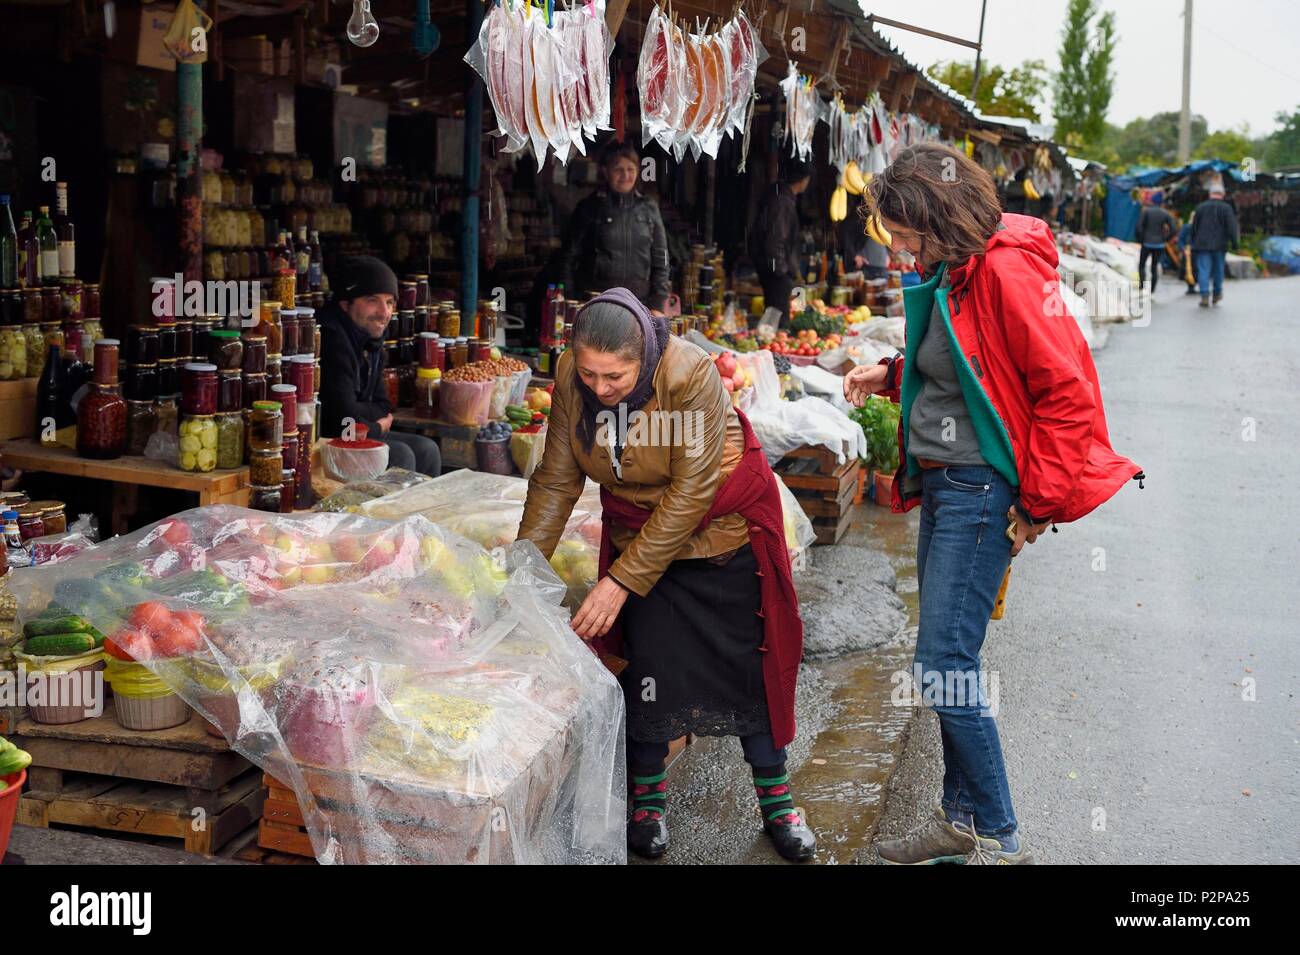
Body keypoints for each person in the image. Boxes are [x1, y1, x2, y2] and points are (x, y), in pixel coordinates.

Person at [843, 143, 1143, 865]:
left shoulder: (1005, 270)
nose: (903, 252)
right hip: (947, 483)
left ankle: (1002, 837)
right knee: (952, 660)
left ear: (937, 216)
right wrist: (891, 374)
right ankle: (958, 818)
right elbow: (969, 365)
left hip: (982, 490)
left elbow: (1065, 392)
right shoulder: (958, 270)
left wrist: (1037, 504)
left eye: (907, 235)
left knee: (943, 660)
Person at [516, 288, 812, 863]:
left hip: (720, 538)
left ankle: (777, 800)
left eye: (616, 378)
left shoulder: (688, 373)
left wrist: (622, 580)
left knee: (750, 671)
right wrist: (521, 570)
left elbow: (693, 489)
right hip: (642, 545)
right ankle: (648, 802)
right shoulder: (570, 378)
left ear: (644, 359)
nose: (599, 389)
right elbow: (555, 479)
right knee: (648, 672)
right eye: (590, 374)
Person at [317, 256, 441, 476]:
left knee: (427, 449)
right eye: (373, 300)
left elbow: (383, 403)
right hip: (328, 437)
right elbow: (342, 418)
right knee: (400, 454)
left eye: (390, 302)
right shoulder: (331, 338)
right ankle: (378, 512)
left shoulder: (370, 339)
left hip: (356, 431)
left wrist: (362, 415)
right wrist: (377, 426)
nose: (384, 312)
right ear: (346, 304)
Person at [559, 143, 671, 312]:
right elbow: (568, 257)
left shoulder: (648, 208)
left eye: (631, 169)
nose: (625, 175)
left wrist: (658, 304)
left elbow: (661, 257)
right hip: (597, 303)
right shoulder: (589, 207)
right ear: (605, 171)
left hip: (640, 304)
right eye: (618, 169)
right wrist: (570, 299)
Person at [749, 159, 811, 324]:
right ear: (804, 179)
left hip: (774, 268)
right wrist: (781, 271)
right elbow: (775, 240)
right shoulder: (782, 202)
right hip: (776, 272)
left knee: (776, 315)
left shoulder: (779, 196)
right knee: (779, 319)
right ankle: (773, 348)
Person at [1190, 184, 1240, 307]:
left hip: (1202, 245)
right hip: (1220, 245)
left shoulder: (1200, 207)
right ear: (1222, 195)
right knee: (1218, 270)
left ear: (1210, 194)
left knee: (1204, 269)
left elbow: (1194, 227)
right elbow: (1232, 228)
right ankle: (1217, 293)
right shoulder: (1226, 208)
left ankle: (1204, 295)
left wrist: (1192, 241)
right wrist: (1235, 243)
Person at [1135, 192, 1176, 295]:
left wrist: (1141, 239)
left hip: (1146, 243)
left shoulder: (1146, 212)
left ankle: (1142, 287)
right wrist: (1165, 239)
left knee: (1142, 265)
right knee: (1154, 267)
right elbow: (1173, 229)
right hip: (1159, 244)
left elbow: (1139, 227)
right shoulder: (1165, 213)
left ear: (1152, 201)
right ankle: (1152, 290)